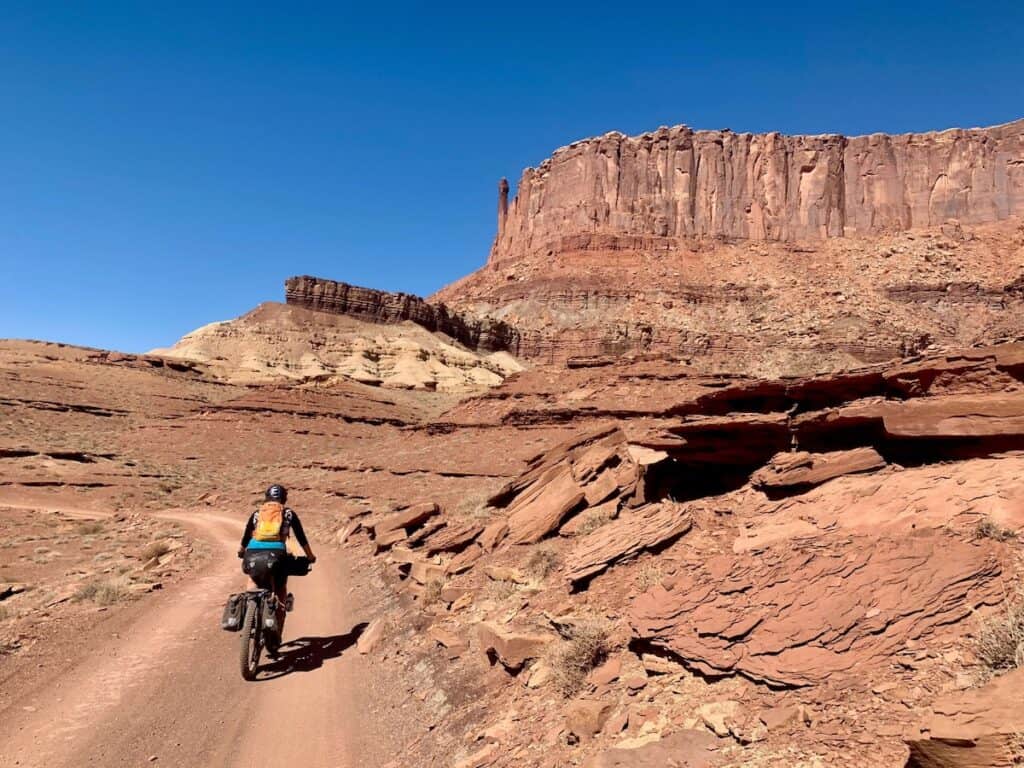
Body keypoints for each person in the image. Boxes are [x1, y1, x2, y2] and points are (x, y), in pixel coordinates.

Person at [237, 484, 316, 642]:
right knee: (280, 589)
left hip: (252, 553)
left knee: (253, 579)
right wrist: (310, 556)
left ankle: (249, 617)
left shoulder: (257, 514)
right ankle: (276, 630)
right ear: (284, 498)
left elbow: (246, 536)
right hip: (277, 555)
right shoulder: (288, 513)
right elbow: (301, 537)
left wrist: (241, 551)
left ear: (266, 497)